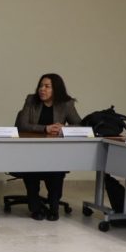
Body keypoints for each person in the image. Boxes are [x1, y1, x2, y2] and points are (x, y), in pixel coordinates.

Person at [14, 73, 81, 221]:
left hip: (54, 152)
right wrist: (45, 128)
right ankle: (35, 207)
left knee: (57, 169)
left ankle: (53, 206)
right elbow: (22, 125)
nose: (42, 89)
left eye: (47, 86)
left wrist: (64, 128)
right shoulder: (31, 100)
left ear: (56, 89)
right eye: (41, 86)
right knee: (31, 169)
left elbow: (80, 125)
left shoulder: (66, 104)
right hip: (31, 151)